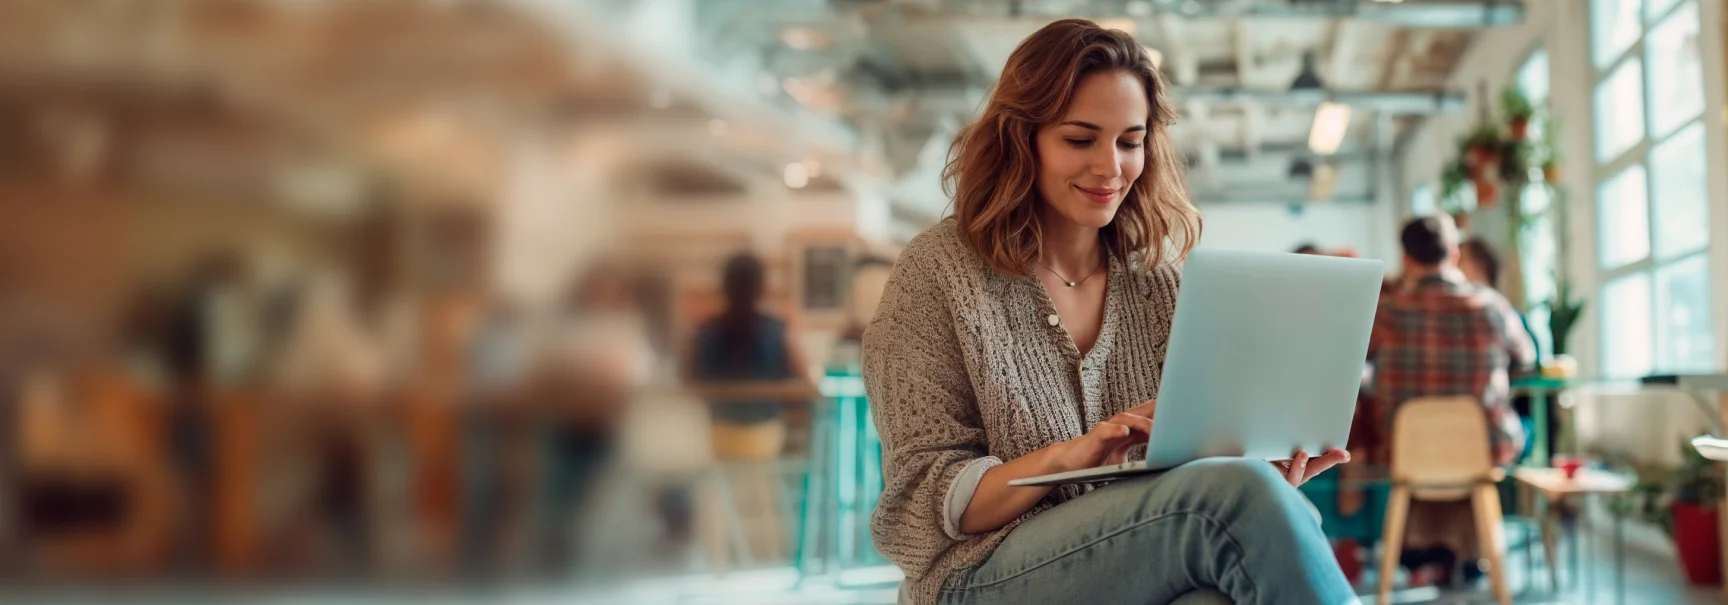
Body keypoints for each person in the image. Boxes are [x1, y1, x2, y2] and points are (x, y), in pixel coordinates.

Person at [863, 20, 1355, 605]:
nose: (1110, 168)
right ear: (1024, 139)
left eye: (1129, 141)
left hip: (1131, 564)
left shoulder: (1162, 287)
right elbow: (921, 503)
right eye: (1080, 139)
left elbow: (1178, 485)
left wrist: (1259, 481)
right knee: (1234, 503)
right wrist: (1069, 456)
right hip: (977, 574)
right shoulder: (937, 274)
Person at [1369, 218, 1536, 587]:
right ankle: (1468, 555)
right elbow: (1526, 359)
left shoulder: (1385, 313)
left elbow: (1355, 361)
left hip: (1407, 453)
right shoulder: (1492, 306)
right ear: (1456, 254)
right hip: (1483, 451)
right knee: (1525, 430)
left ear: (1407, 259)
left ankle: (1426, 554)